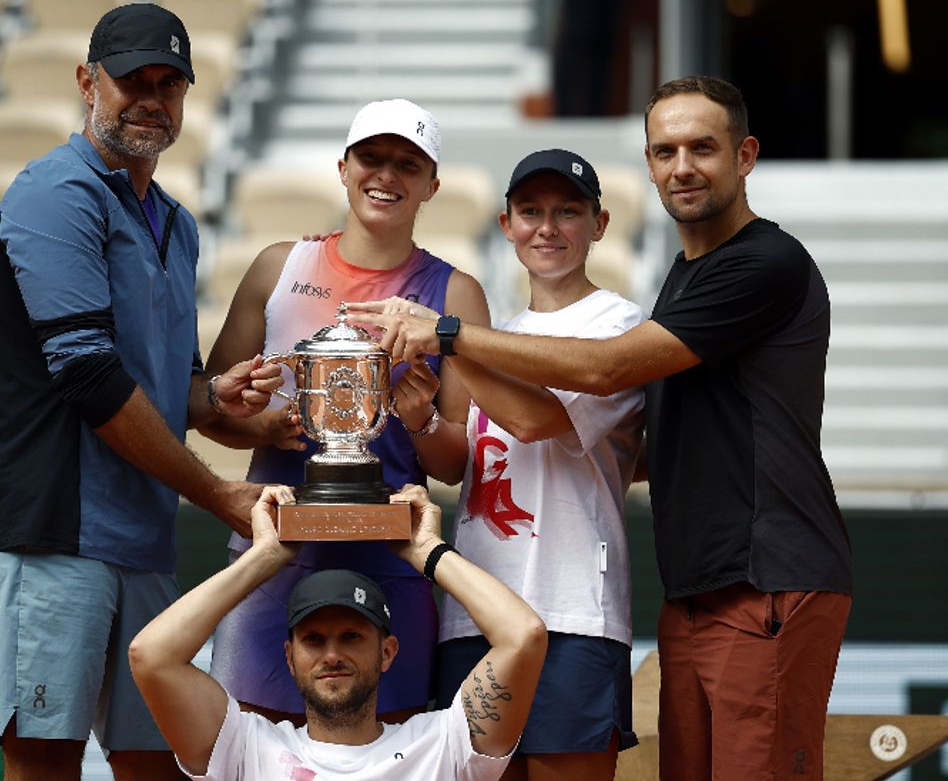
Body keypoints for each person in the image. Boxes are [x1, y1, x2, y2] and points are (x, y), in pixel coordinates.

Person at [349, 75, 854, 781]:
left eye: (702, 147)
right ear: (648, 163)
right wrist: (428, 411)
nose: (682, 165)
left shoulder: (759, 263)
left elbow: (603, 372)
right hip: (693, 584)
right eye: (666, 149)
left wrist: (450, 333)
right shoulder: (685, 277)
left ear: (745, 156)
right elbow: (634, 439)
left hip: (761, 573)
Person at [0, 3, 283, 781]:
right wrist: (218, 495)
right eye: (131, 78)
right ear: (87, 82)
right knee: (45, 761)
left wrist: (215, 396)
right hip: (51, 529)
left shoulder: (175, 221)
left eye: (168, 83)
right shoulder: (52, 192)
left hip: (141, 536)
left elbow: (163, 384)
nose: (151, 97)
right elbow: (89, 375)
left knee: (160, 761)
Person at [198, 98, 491, 724]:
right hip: (273, 552)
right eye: (372, 158)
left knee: (391, 753)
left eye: (407, 165)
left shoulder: (456, 293)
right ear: (343, 166)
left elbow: (457, 463)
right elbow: (207, 405)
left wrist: (419, 421)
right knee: (249, 748)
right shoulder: (279, 267)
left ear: (431, 185)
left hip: (392, 560)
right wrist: (262, 421)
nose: (387, 175)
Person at [395, 149, 643, 781]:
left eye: (567, 211)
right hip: (473, 611)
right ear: (506, 226)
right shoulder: (490, 332)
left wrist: (448, 338)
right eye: (530, 212)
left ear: (600, 224)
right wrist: (419, 414)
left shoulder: (617, 323)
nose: (547, 228)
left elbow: (537, 421)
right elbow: (460, 465)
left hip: (572, 611)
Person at [128, 484, 548, 781]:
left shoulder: (442, 744)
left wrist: (426, 551)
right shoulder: (245, 747)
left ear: (387, 652)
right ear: (290, 657)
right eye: (314, 640)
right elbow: (151, 655)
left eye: (351, 636)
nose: (332, 654)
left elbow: (523, 636)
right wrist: (263, 556)